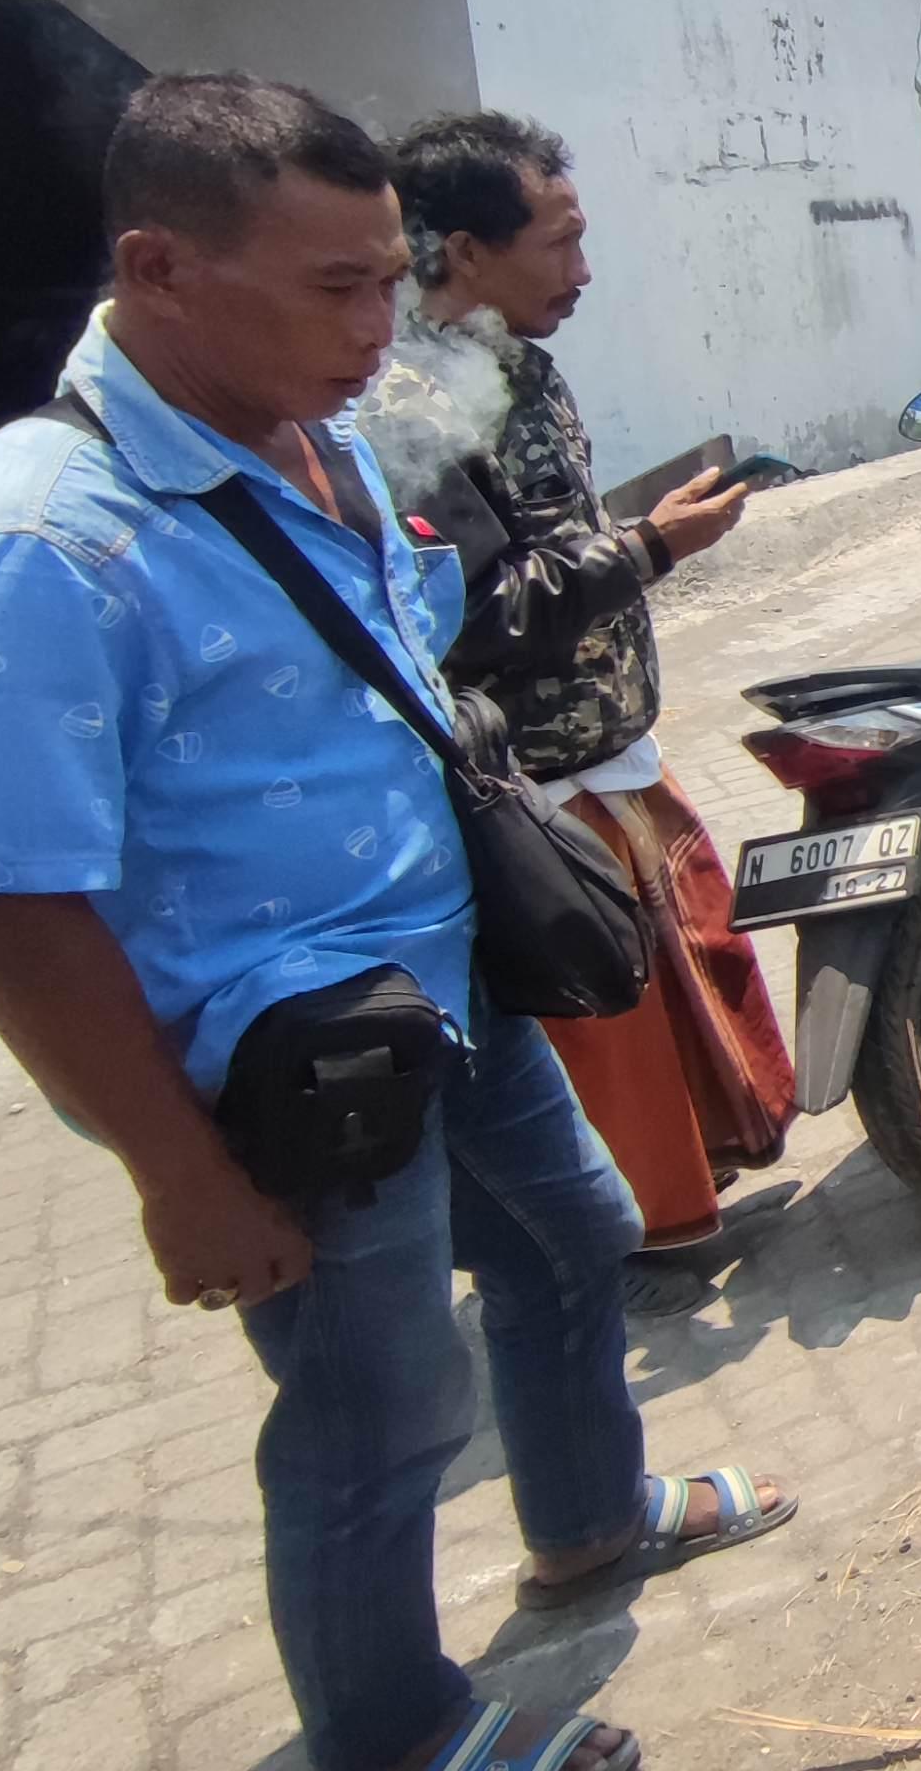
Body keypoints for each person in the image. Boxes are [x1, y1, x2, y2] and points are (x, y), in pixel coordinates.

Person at [0, 74, 797, 1771]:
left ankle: (592, 1513)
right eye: (336, 288)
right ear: (158, 268)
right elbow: (7, 897)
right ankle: (396, 1728)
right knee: (379, 1412)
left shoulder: (327, 442)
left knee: (575, 1233)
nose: (384, 323)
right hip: (296, 1063)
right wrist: (184, 1176)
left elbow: (413, 639)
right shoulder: (37, 544)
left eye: (392, 276)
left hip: (448, 985)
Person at [368, 110, 796, 1300]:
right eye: (557, 242)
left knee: (688, 956)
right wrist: (651, 549)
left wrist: (634, 537)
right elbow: (469, 608)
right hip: (531, 778)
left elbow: (547, 535)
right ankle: (619, 1235)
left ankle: (682, 1190)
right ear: (459, 250)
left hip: (607, 745)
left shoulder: (514, 366)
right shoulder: (401, 406)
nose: (583, 269)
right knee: (598, 1011)